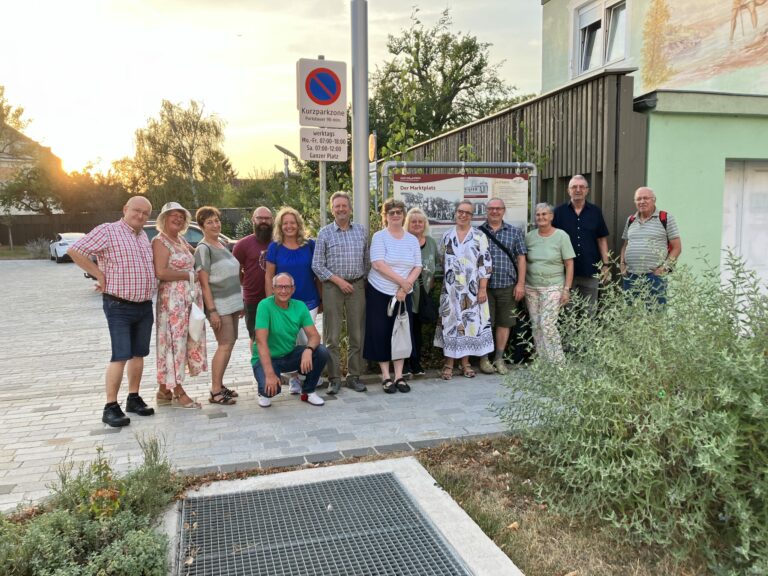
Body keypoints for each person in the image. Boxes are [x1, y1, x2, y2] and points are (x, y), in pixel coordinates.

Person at [67, 196, 156, 427]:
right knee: (120, 355)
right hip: (119, 306)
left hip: (144, 305)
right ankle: (110, 406)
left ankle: (133, 398)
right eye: (137, 211)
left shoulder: (143, 236)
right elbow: (76, 250)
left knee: (139, 354)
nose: (140, 216)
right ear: (125, 209)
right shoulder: (108, 231)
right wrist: (99, 274)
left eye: (146, 213)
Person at [312, 191, 369, 394]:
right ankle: (334, 378)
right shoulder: (324, 233)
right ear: (332, 209)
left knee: (356, 334)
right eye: (337, 206)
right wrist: (338, 281)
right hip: (333, 288)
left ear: (350, 208)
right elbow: (317, 265)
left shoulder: (361, 231)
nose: (341, 209)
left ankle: (354, 376)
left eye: (344, 205)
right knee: (332, 336)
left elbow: (367, 260)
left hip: (356, 287)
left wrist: (361, 282)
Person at [363, 198, 422, 393]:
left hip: (404, 294)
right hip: (380, 291)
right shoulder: (380, 237)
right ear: (385, 216)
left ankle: (399, 376)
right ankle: (386, 376)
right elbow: (378, 264)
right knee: (381, 333)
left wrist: (405, 288)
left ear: (403, 214)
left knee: (402, 333)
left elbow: (418, 266)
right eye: (391, 212)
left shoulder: (412, 239)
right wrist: (402, 282)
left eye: (398, 212)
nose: (395, 215)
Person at [152, 202, 207, 408]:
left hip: (187, 300)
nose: (178, 219)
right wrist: (190, 275)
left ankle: (163, 390)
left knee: (184, 340)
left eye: (181, 216)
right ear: (164, 219)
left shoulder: (180, 240)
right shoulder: (160, 242)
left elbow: (198, 255)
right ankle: (178, 390)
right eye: (173, 215)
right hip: (172, 302)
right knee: (174, 344)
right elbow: (161, 272)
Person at [265, 206, 322, 394]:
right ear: (280, 226)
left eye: (293, 223)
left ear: (299, 224)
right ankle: (295, 379)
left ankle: (309, 375)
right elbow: (269, 276)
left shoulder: (310, 245)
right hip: (284, 303)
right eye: (285, 223)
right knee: (291, 340)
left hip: (308, 300)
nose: (289, 226)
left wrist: (321, 298)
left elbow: (317, 273)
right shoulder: (275, 247)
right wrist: (270, 303)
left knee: (307, 338)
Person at [434, 200, 494, 380]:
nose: (463, 215)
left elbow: (485, 264)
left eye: (467, 213)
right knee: (451, 324)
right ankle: (449, 363)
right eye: (460, 211)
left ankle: (465, 363)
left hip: (472, 290)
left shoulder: (479, 236)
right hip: (451, 290)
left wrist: (482, 288)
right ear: (456, 213)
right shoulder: (446, 236)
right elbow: (442, 261)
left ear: (472, 216)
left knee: (468, 325)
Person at [253, 272, 329, 408]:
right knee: (270, 391)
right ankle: (263, 391)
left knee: (321, 351)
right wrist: (270, 374)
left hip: (288, 355)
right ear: (273, 289)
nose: (283, 291)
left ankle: (308, 391)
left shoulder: (299, 306)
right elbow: (260, 341)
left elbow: (314, 336)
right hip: (266, 358)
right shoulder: (264, 306)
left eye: (287, 287)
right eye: (280, 287)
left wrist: (308, 350)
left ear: (293, 289)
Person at [195, 206, 243, 402]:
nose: (215, 225)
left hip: (232, 304)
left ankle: (220, 384)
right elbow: (204, 284)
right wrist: (212, 311)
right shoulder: (203, 249)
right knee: (224, 345)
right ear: (201, 226)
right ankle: (215, 391)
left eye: (216, 220)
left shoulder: (221, 244)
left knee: (229, 344)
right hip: (219, 306)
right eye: (209, 222)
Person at [477, 198, 527, 375]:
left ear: (504, 211)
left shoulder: (514, 232)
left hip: (507, 285)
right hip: (484, 287)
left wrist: (521, 284)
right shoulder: (478, 233)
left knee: (504, 323)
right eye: (491, 208)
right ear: (486, 211)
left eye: (498, 208)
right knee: (484, 323)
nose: (495, 211)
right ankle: (484, 359)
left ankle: (499, 358)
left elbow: (521, 258)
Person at [524, 202, 576, 362]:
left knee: (547, 324)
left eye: (544, 214)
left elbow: (569, 264)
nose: (541, 217)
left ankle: (558, 363)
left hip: (553, 287)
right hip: (531, 287)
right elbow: (523, 261)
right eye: (538, 215)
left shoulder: (561, 236)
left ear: (551, 216)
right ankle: (543, 361)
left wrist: (566, 289)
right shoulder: (529, 237)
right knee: (536, 325)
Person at [552, 175, 610, 314]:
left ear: (587, 190)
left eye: (581, 187)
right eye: (574, 187)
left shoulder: (595, 212)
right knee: (567, 314)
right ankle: (570, 337)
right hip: (564, 273)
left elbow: (602, 239)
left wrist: (606, 265)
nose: (578, 190)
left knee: (589, 313)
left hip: (590, 271)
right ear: (568, 190)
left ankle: (587, 337)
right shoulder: (558, 212)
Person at [620, 187, 682, 305]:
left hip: (654, 277)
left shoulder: (666, 218)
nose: (642, 201)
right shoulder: (631, 220)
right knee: (631, 316)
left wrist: (663, 269)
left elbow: (677, 248)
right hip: (631, 277)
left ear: (654, 200)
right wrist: (622, 265)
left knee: (655, 315)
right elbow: (625, 245)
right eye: (638, 199)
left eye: (645, 198)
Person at [403, 207, 438, 377]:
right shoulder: (405, 241)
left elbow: (436, 266)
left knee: (417, 330)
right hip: (406, 294)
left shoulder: (431, 242)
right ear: (407, 224)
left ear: (425, 224)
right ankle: (405, 364)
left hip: (423, 295)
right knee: (405, 329)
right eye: (413, 221)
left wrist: (431, 283)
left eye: (420, 221)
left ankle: (415, 363)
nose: (417, 224)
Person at [232, 206, 273, 343]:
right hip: (253, 300)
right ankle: (257, 364)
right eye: (259, 218)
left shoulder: (279, 242)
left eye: (267, 218)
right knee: (256, 338)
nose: (263, 221)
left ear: (272, 220)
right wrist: (240, 298)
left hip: (278, 298)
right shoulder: (242, 245)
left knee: (275, 336)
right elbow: (235, 272)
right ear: (253, 220)